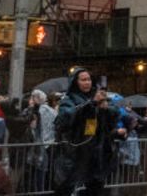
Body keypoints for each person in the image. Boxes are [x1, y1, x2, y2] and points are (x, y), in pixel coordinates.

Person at [52, 67, 117, 196]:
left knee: (96, 186)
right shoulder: (68, 99)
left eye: (89, 80)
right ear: (76, 82)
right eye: (83, 80)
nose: (87, 82)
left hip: (96, 151)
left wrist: (106, 109)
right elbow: (66, 117)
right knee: (66, 186)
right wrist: (91, 104)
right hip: (75, 151)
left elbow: (113, 118)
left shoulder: (98, 97)